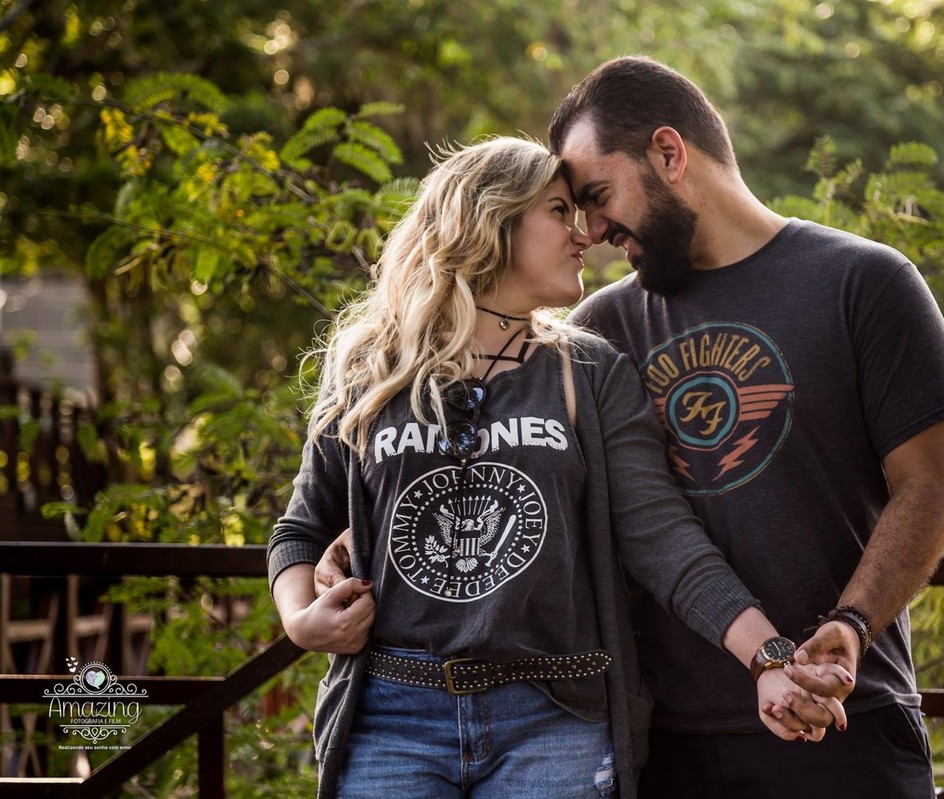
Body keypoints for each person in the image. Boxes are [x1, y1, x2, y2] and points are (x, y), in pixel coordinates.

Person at [267, 136, 848, 799]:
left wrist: (769, 657)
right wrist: (299, 618)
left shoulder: (588, 371)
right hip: (391, 714)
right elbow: (302, 528)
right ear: (490, 222)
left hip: (554, 716)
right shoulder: (371, 366)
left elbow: (661, 539)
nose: (584, 236)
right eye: (558, 212)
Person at [543, 56, 944, 796]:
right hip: (667, 746)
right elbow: (512, 464)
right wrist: (361, 529)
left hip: (846, 721)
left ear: (669, 155)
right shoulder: (597, 330)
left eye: (598, 195)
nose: (593, 229)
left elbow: (934, 482)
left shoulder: (864, 282)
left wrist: (852, 624)